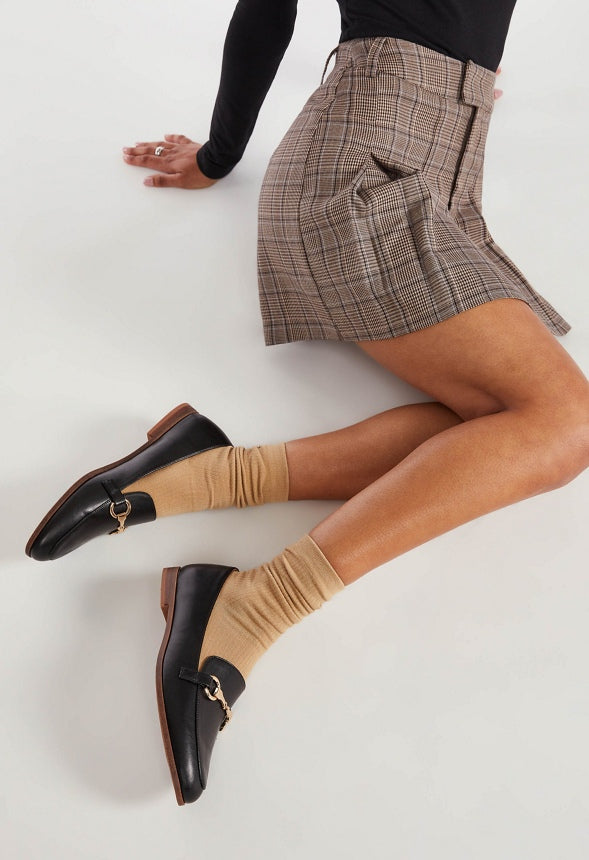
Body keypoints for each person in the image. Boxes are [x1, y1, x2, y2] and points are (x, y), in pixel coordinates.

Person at [26, 1, 589, 807]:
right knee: (564, 422)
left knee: (511, 429)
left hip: (440, 175)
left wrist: (465, 81)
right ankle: (250, 606)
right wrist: (218, 156)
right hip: (357, 174)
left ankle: (203, 470)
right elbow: (267, 9)